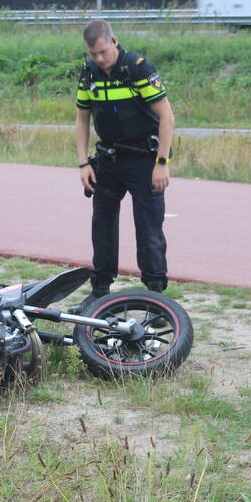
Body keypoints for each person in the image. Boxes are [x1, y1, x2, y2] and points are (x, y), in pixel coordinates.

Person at [73, 19, 175, 310]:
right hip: (107, 160)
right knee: (101, 224)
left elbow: (167, 116)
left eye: (103, 52)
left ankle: (156, 296)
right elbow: (82, 118)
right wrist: (83, 163)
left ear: (114, 41)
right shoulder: (89, 72)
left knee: (148, 227)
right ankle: (100, 290)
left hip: (144, 160)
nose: (99, 59)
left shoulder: (138, 68)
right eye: (93, 54)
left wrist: (162, 163)